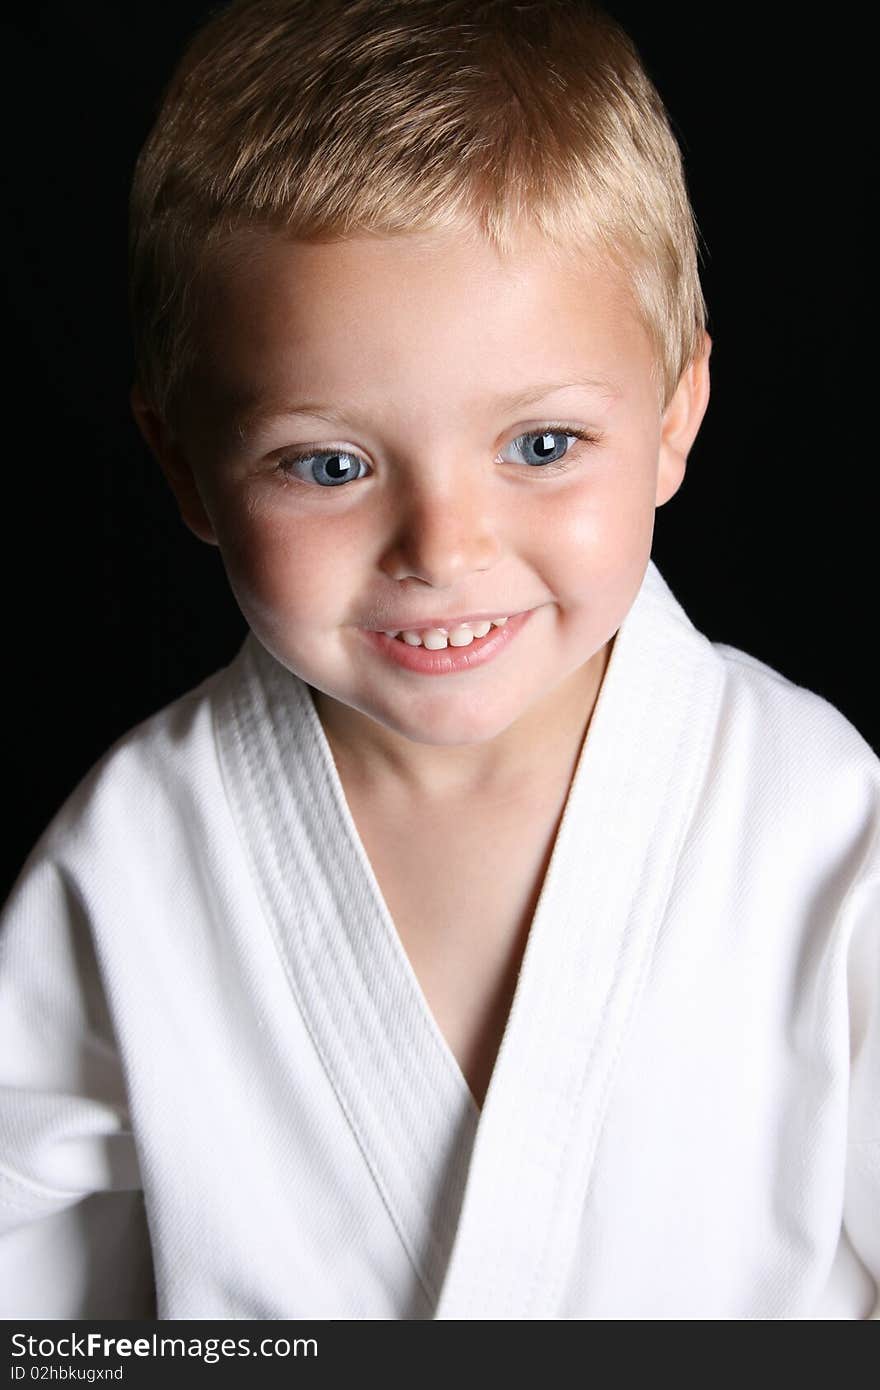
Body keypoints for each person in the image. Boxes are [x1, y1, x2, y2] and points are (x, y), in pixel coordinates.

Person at [0, 0, 876, 1321]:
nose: (443, 547)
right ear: (186, 461)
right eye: (331, 464)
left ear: (675, 415)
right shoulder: (129, 861)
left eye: (540, 445)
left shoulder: (816, 821)